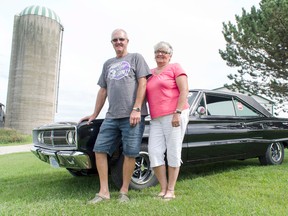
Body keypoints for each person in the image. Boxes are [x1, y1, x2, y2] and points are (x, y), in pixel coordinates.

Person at [80, 29, 151, 204]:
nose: (118, 42)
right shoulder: (108, 64)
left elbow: (143, 83)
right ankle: (104, 192)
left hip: (132, 115)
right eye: (115, 40)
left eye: (121, 39)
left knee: (130, 152)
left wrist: (136, 108)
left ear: (127, 41)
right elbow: (103, 90)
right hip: (111, 116)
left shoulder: (136, 58)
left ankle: (124, 192)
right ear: (111, 43)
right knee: (99, 150)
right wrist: (95, 114)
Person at [146, 41, 189, 201]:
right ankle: (163, 188)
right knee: (154, 152)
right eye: (157, 51)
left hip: (174, 114)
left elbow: (184, 90)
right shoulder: (150, 72)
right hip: (156, 118)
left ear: (170, 55)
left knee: (173, 151)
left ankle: (171, 189)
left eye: (164, 52)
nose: (160, 54)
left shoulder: (175, 67)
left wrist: (177, 112)